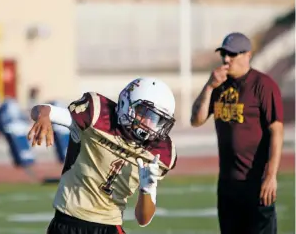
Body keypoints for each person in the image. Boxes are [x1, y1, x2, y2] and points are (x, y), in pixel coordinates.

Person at [27, 77, 178, 234]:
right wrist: (43, 116)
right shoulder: (97, 115)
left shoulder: (156, 153)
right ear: (127, 103)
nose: (148, 123)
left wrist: (147, 188)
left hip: (109, 226)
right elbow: (44, 110)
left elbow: (143, 219)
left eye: (155, 119)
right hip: (67, 221)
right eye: (143, 112)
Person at [190, 32, 284, 234]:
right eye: (224, 54)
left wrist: (271, 176)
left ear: (247, 55)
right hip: (228, 183)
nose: (226, 59)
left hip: (256, 183)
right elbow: (196, 120)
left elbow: (277, 131)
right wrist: (208, 86)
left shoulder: (263, 85)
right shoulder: (219, 84)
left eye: (232, 54)